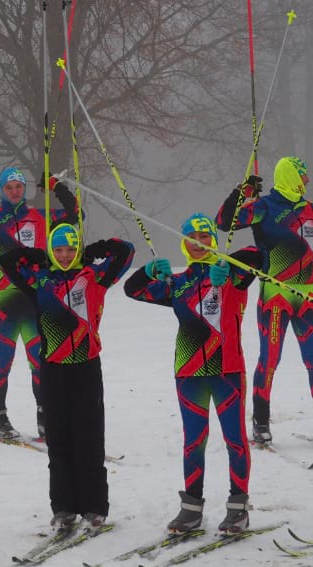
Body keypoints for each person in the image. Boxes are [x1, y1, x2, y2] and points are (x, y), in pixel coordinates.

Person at [124, 214, 262, 534]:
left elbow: (259, 255)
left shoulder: (233, 276)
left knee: (235, 440)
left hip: (227, 370)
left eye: (204, 237)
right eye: (191, 238)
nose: (198, 243)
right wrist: (146, 272)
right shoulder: (178, 283)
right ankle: (191, 509)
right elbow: (132, 290)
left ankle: (238, 508)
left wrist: (227, 264)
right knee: (194, 442)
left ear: (212, 240)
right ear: (183, 242)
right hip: (189, 373)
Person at [0, 223, 133, 531]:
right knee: (59, 440)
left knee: (89, 439)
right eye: (58, 249)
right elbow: (7, 263)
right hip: (53, 369)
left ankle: (95, 507)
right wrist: (30, 254)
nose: (63, 255)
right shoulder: (39, 280)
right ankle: (63, 507)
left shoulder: (93, 278)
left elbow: (125, 252)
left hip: (86, 367)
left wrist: (96, 248)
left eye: (70, 249)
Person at [0, 168, 80, 440]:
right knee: (2, 365)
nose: (14, 191)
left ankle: (45, 418)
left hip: (34, 302)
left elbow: (75, 214)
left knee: (40, 363)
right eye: (8, 187)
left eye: (18, 186)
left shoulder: (40, 217)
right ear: (1, 190)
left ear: (24, 188)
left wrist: (55, 184)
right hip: (3, 305)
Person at [215, 157, 312, 445]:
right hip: (276, 297)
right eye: (303, 176)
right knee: (270, 359)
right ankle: (260, 421)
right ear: (291, 177)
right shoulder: (264, 206)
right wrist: (240, 193)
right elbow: (223, 222)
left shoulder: (307, 210)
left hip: (307, 297)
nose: (306, 182)